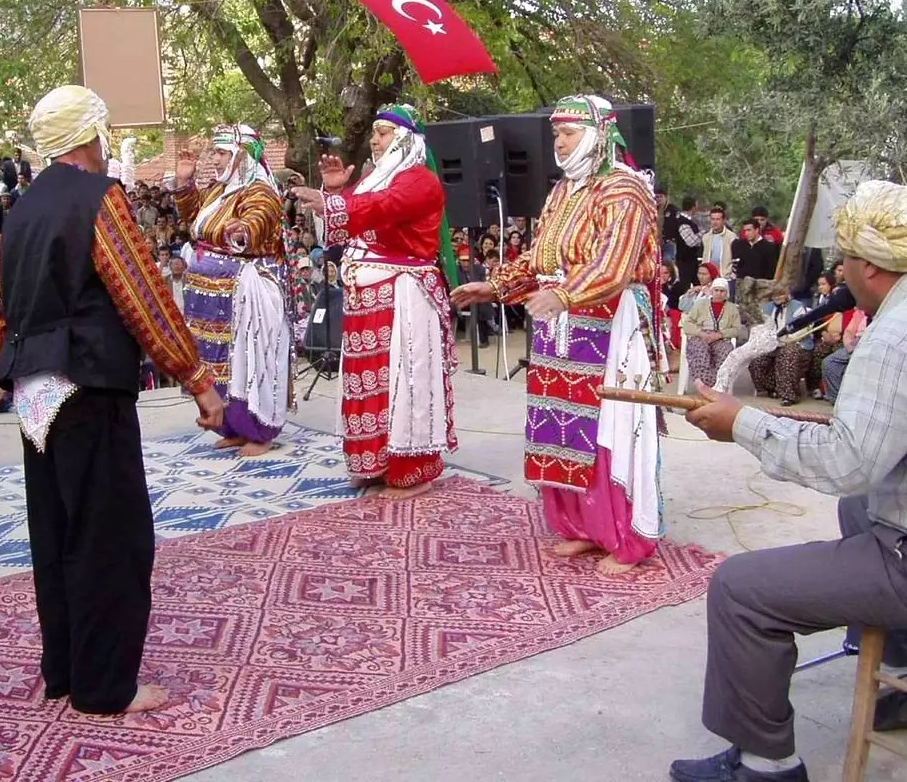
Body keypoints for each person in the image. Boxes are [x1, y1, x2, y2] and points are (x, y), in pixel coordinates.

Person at [0, 84, 222, 715]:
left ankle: (65, 670)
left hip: (36, 385)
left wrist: (5, 363)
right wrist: (197, 378)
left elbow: (2, 307)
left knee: (56, 529)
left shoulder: (23, 207)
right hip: (87, 382)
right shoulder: (100, 198)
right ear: (91, 136)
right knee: (108, 535)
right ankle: (104, 685)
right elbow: (141, 293)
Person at [672, 179, 907, 782]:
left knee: (741, 588)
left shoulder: (897, 332)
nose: (840, 269)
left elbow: (845, 461)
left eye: (844, 259)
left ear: (869, 266)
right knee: (860, 509)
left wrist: (744, 426)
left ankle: (767, 764)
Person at [451, 94, 663, 575]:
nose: (560, 143)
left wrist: (566, 297)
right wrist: (496, 285)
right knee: (560, 426)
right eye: (556, 135)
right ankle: (583, 527)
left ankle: (624, 535)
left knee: (606, 427)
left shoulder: (623, 189)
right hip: (559, 323)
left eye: (568, 133)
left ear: (597, 135)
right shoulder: (564, 191)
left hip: (608, 323)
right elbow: (542, 258)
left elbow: (616, 263)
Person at [294, 104, 459, 498]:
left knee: (402, 381)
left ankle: (412, 469)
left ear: (404, 138)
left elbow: (382, 209)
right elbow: (348, 225)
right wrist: (335, 191)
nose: (374, 140)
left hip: (403, 295)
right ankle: (375, 463)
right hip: (367, 298)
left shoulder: (419, 181)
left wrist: (336, 202)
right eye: (374, 132)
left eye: (383, 132)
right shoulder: (375, 180)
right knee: (368, 382)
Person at [170, 125, 290, 458]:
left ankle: (259, 430)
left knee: (245, 364)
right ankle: (233, 427)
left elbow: (262, 217)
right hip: (210, 295)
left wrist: (245, 229)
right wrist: (184, 182)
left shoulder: (259, 191)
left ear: (242, 156)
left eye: (223, 153)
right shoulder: (220, 191)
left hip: (242, 294)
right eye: (217, 153)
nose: (217, 159)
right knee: (217, 363)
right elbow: (195, 219)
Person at [747, 286, 812, 407]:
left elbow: (802, 329)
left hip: (795, 342)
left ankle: (789, 395)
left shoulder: (797, 306)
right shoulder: (767, 308)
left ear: (787, 293)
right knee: (756, 360)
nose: (778, 298)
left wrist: (785, 340)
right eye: (775, 295)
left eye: (781, 294)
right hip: (773, 343)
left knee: (787, 354)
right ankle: (772, 388)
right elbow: (761, 327)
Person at [681, 278, 745, 388]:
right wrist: (701, 333)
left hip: (721, 338)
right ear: (712, 291)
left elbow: (737, 329)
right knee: (700, 352)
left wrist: (720, 334)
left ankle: (718, 386)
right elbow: (687, 323)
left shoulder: (732, 308)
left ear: (727, 293)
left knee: (724, 352)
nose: (719, 294)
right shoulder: (700, 304)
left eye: (722, 291)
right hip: (700, 336)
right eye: (716, 290)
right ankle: (704, 386)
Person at [731, 219, 779, 313]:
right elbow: (736, 265)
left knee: (761, 315)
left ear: (757, 230)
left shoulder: (769, 247)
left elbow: (771, 270)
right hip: (743, 289)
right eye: (744, 231)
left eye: (749, 230)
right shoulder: (739, 245)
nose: (746, 233)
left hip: (761, 290)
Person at [702, 206, 737, 279]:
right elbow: (700, 258)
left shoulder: (732, 237)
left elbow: (736, 260)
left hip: (726, 278)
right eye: (713, 219)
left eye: (718, 219)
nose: (715, 222)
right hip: (708, 278)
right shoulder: (705, 237)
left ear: (723, 220)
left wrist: (731, 276)